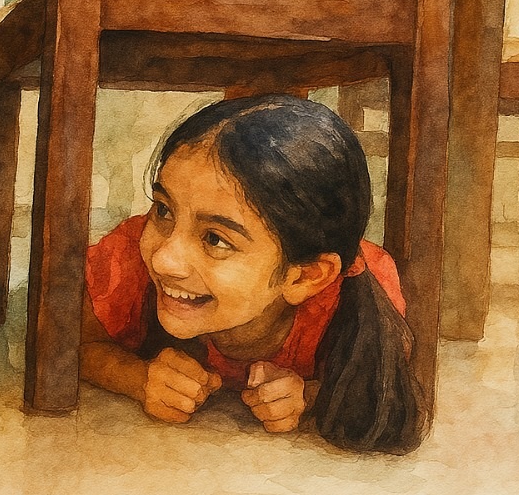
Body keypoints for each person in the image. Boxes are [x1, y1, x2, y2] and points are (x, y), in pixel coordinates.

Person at [81, 94, 427, 454]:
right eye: (164, 210)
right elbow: (68, 341)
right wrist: (135, 378)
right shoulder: (129, 256)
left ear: (304, 277)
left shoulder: (362, 291)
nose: (164, 259)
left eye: (215, 239)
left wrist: (309, 395)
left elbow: (375, 386)